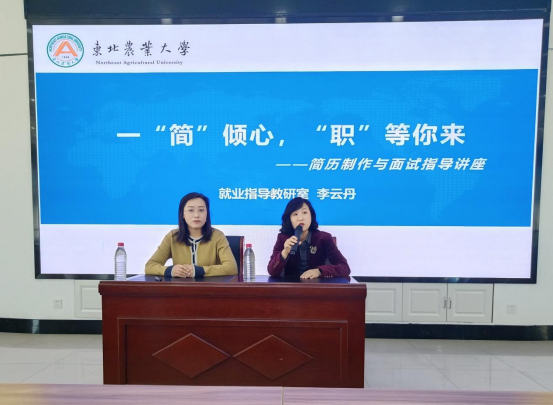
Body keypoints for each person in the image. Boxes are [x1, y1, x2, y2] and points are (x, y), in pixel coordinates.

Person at [145, 192, 237, 277]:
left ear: (207, 214)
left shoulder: (217, 236)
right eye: (190, 210)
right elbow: (150, 266)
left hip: (210, 288)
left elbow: (231, 268)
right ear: (182, 214)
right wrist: (171, 270)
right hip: (181, 288)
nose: (196, 215)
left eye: (201, 210)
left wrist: (200, 271)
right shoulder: (172, 237)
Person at [267, 197, 350, 279]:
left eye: (304, 212)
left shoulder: (324, 238)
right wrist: (284, 252)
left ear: (311, 215)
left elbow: (345, 267)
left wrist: (320, 271)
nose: (300, 218)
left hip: (316, 286)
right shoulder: (283, 238)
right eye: (295, 214)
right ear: (289, 219)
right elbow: (272, 271)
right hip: (291, 286)